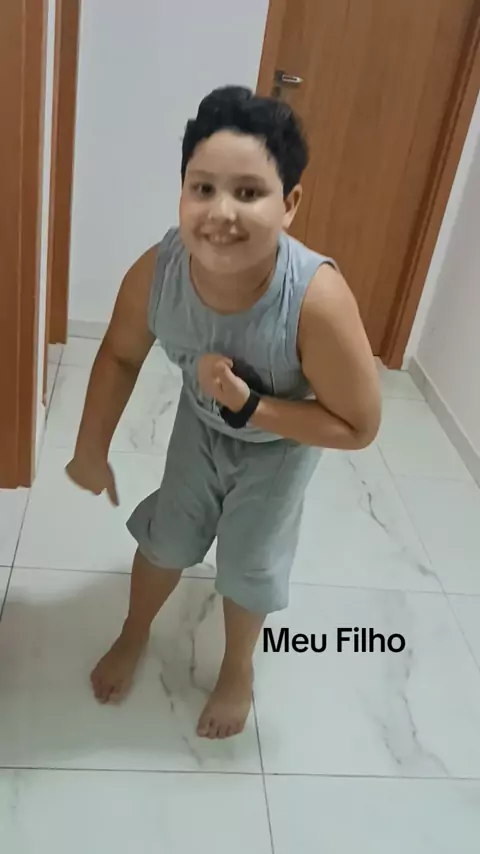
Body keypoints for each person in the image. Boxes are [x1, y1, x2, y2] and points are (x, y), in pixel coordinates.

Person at [66, 85, 381, 740]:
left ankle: (239, 668)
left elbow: (358, 426)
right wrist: (90, 448)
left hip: (280, 448)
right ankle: (134, 631)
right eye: (202, 188)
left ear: (290, 204)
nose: (220, 212)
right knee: (167, 537)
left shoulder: (316, 300)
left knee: (249, 561)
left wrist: (252, 407)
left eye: (249, 192)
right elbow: (120, 354)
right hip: (201, 426)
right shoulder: (158, 273)